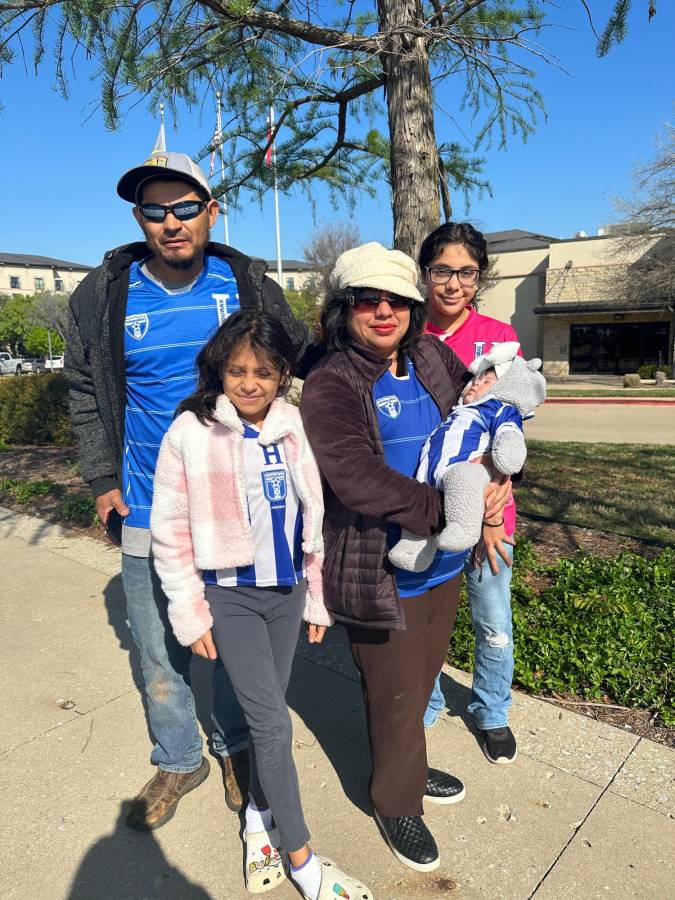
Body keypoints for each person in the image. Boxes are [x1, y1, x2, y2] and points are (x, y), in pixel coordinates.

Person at [65, 148, 309, 830]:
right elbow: (84, 388)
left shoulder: (245, 281)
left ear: (210, 210)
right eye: (153, 210)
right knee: (158, 648)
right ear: (139, 218)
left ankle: (231, 746)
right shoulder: (107, 292)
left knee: (235, 645)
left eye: (183, 207)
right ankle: (179, 757)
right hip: (146, 503)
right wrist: (103, 480)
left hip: (237, 512)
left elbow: (305, 353)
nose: (169, 222)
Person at [299, 242, 510, 872]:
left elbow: (478, 418)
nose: (384, 311)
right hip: (379, 567)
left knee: (418, 683)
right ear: (345, 308)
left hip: (444, 561)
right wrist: (451, 511)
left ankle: (409, 767)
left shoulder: (430, 355)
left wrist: (497, 481)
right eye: (368, 299)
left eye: (397, 300)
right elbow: (355, 478)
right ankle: (395, 800)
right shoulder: (331, 381)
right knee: (392, 693)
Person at [150, 311, 373, 900]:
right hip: (231, 597)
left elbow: (315, 518)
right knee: (273, 726)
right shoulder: (191, 433)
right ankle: (302, 859)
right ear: (218, 370)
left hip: (286, 593)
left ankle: (256, 816)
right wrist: (190, 611)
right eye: (237, 371)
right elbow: (169, 531)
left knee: (266, 714)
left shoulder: (294, 427)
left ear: (282, 376)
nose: (249, 383)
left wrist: (317, 600)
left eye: (264, 373)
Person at [420, 221, 524, 764]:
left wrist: (497, 495)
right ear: (426, 273)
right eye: (443, 270)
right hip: (425, 503)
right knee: (426, 616)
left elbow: (512, 425)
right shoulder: (408, 333)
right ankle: (428, 701)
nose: (454, 283)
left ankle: (492, 710)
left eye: (465, 272)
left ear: (478, 277)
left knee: (492, 618)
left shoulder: (500, 338)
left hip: (489, 507)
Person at [389, 341, 546, 566]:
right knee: (420, 495)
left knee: (463, 479)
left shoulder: (497, 408)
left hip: (467, 467)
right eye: (475, 380)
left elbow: (509, 432)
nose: (475, 385)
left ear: (505, 387)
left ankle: (463, 527)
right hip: (431, 471)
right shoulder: (458, 410)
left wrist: (508, 456)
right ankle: (414, 549)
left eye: (486, 382)